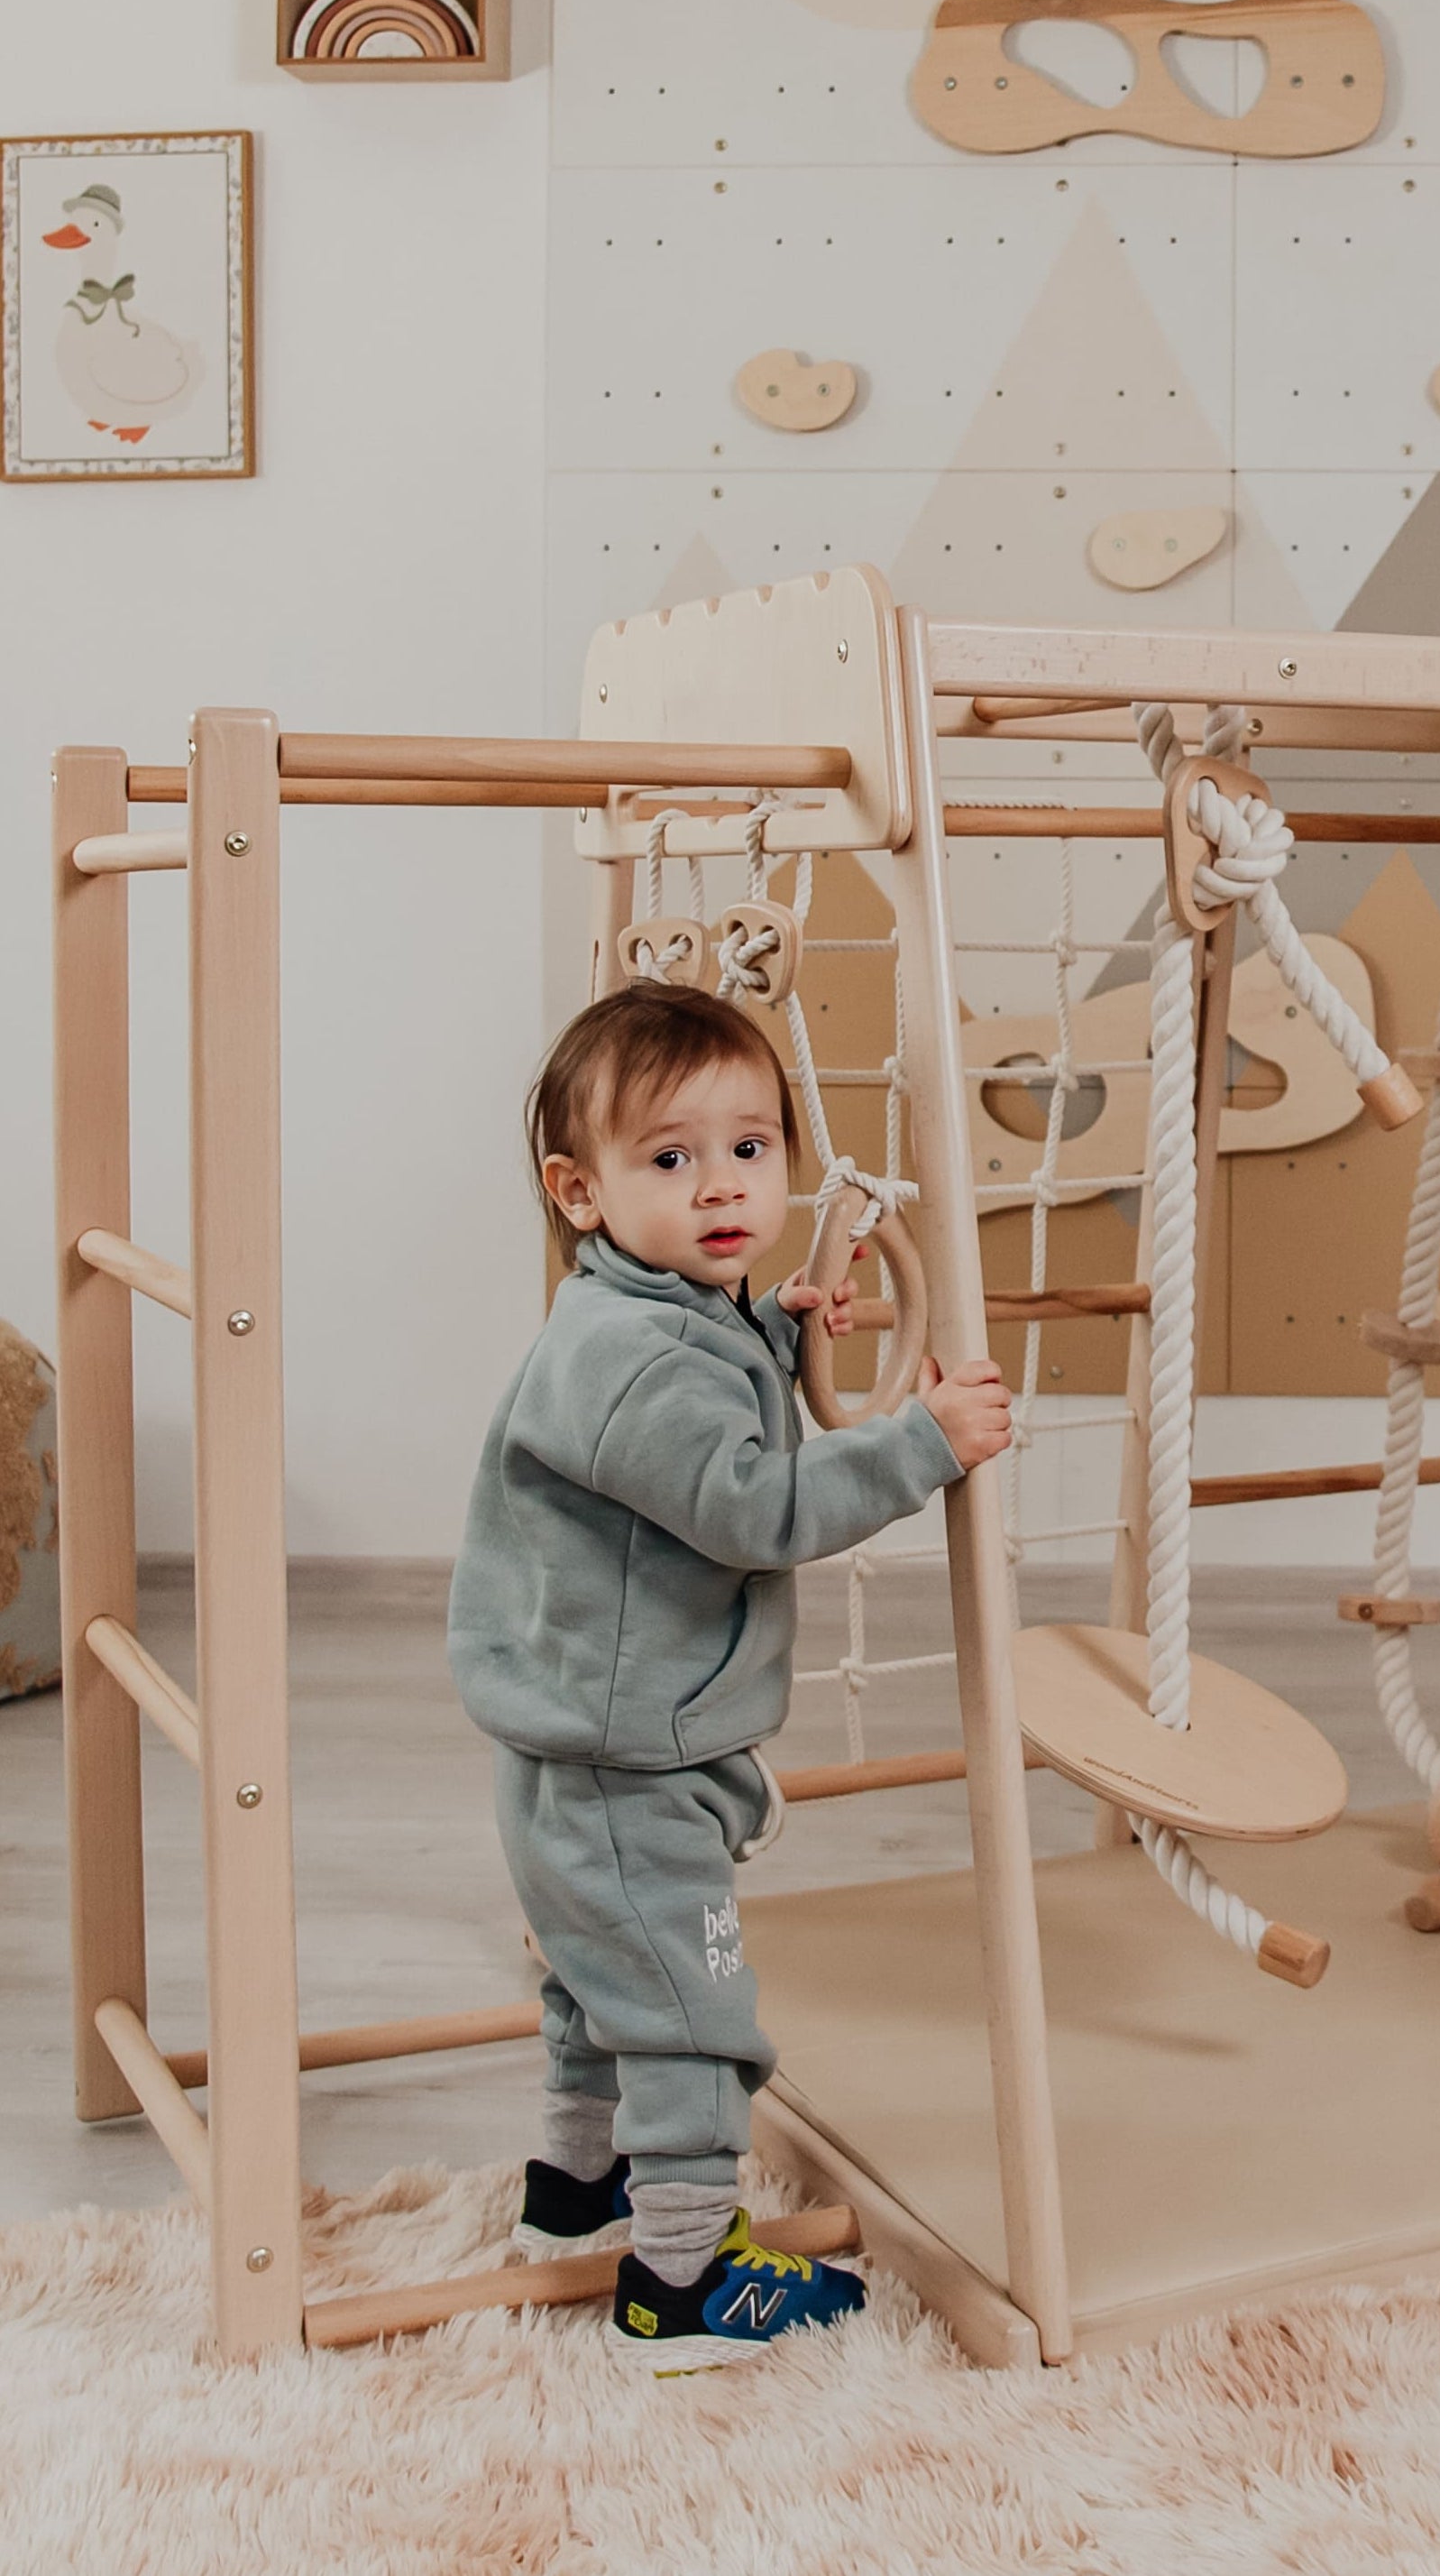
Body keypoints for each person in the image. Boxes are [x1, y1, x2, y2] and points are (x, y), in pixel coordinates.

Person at [448, 980, 1010, 2369]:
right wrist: (922, 1441)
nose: (721, 1186)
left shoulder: (653, 1315)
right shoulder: (637, 1366)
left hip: (592, 1750)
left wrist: (780, 1330)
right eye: (670, 1156)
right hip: (629, 1767)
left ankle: (577, 2191)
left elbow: (708, 1397)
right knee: (693, 2013)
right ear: (579, 1191)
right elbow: (752, 1503)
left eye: (750, 1148)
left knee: (601, 1987)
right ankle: (683, 2280)